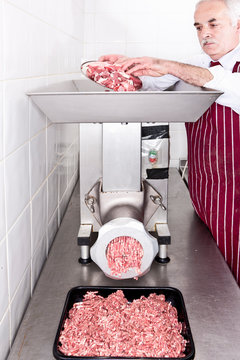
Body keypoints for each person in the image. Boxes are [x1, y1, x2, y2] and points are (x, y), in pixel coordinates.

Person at [99, 0, 240, 286]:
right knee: (215, 273)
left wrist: (167, 65)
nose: (205, 34)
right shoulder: (197, 63)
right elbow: (155, 84)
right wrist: (127, 72)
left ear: (238, 25)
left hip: (235, 198)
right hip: (203, 192)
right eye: (199, 27)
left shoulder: (211, 71)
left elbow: (222, 82)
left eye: (214, 24)